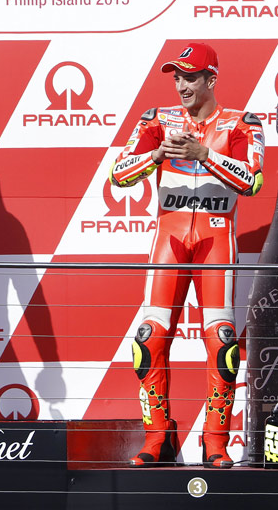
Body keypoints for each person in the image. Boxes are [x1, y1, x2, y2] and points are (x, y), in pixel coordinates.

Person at [110, 42, 265, 468]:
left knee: (223, 343)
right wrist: (157, 154)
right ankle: (158, 436)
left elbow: (251, 182)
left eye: (190, 76)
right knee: (148, 340)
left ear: (211, 79)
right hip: (169, 240)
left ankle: (214, 441)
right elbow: (118, 176)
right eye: (176, 76)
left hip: (216, 241)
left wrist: (204, 155)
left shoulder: (242, 122)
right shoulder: (156, 119)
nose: (181, 84)